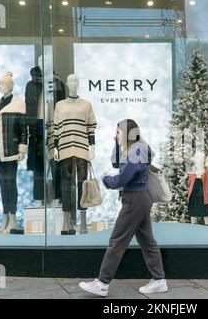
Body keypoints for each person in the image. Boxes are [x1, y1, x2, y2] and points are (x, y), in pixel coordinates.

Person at [79, 119, 167, 297]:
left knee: (117, 241)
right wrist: (117, 143)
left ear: (127, 133)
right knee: (147, 242)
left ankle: (102, 283)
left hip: (134, 200)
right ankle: (159, 280)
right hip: (139, 199)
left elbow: (122, 179)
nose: (116, 135)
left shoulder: (137, 151)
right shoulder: (135, 149)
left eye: (118, 132)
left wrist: (105, 180)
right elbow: (116, 163)